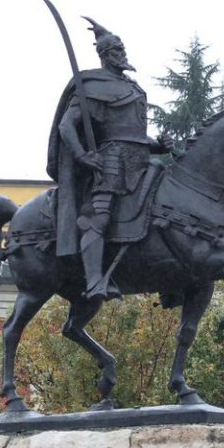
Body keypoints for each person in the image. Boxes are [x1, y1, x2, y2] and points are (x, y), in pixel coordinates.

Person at [47, 19, 173, 305]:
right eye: (116, 49)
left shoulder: (133, 87)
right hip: (110, 162)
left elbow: (133, 133)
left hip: (142, 160)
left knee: (164, 210)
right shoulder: (93, 87)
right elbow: (67, 126)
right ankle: (93, 280)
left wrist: (158, 145)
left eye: (122, 48)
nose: (122, 53)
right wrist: (82, 155)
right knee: (99, 217)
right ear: (105, 54)